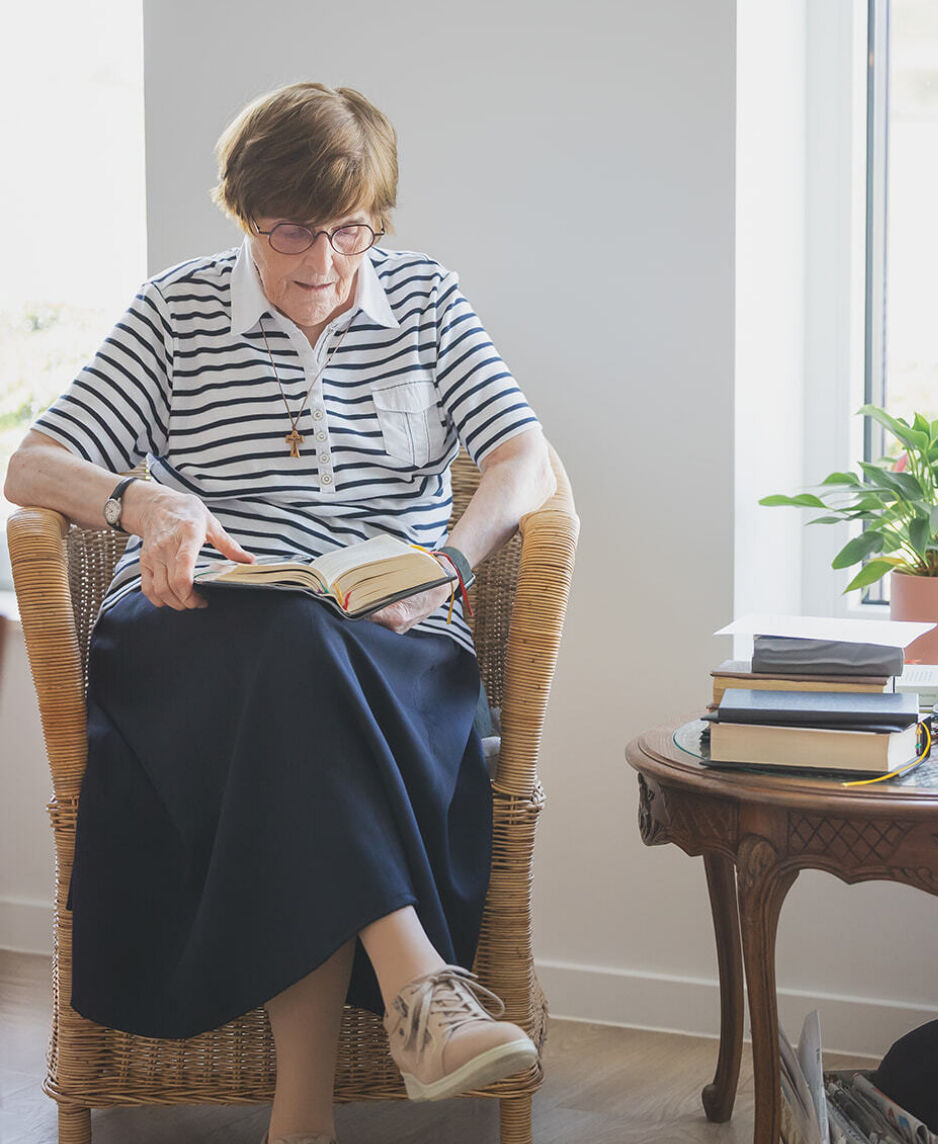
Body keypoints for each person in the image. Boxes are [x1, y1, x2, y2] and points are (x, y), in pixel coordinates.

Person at [4, 81, 556, 1144]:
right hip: (194, 630)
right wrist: (141, 502)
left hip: (390, 632)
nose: (321, 264)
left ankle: (301, 1117)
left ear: (376, 221)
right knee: (293, 646)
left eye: (348, 232)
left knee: (306, 670)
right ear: (243, 214)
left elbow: (525, 457)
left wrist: (450, 561)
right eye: (289, 232)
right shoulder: (175, 312)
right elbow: (32, 464)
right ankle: (422, 989)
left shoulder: (427, 299)